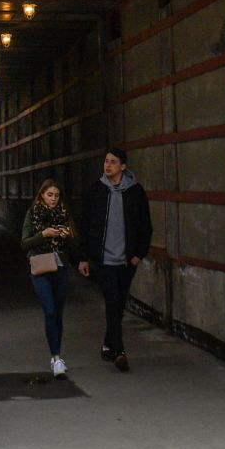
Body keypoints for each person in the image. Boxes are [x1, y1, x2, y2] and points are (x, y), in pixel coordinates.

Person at [76, 147, 152, 373]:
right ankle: (120, 352)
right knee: (112, 303)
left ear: (123, 166)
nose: (107, 165)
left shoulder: (136, 192)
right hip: (104, 261)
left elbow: (145, 226)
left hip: (127, 261)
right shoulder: (95, 191)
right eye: (106, 161)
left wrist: (139, 254)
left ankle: (108, 346)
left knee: (119, 305)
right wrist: (83, 258)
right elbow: (84, 225)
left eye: (113, 162)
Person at [21, 178, 77, 377]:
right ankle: (55, 358)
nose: (53, 199)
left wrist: (67, 236)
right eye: (49, 195)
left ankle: (58, 355)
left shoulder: (63, 213)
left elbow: (75, 243)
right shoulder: (33, 213)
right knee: (50, 310)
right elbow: (24, 243)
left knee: (58, 312)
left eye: (56, 195)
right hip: (41, 267)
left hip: (60, 267)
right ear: (42, 195)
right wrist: (43, 234)